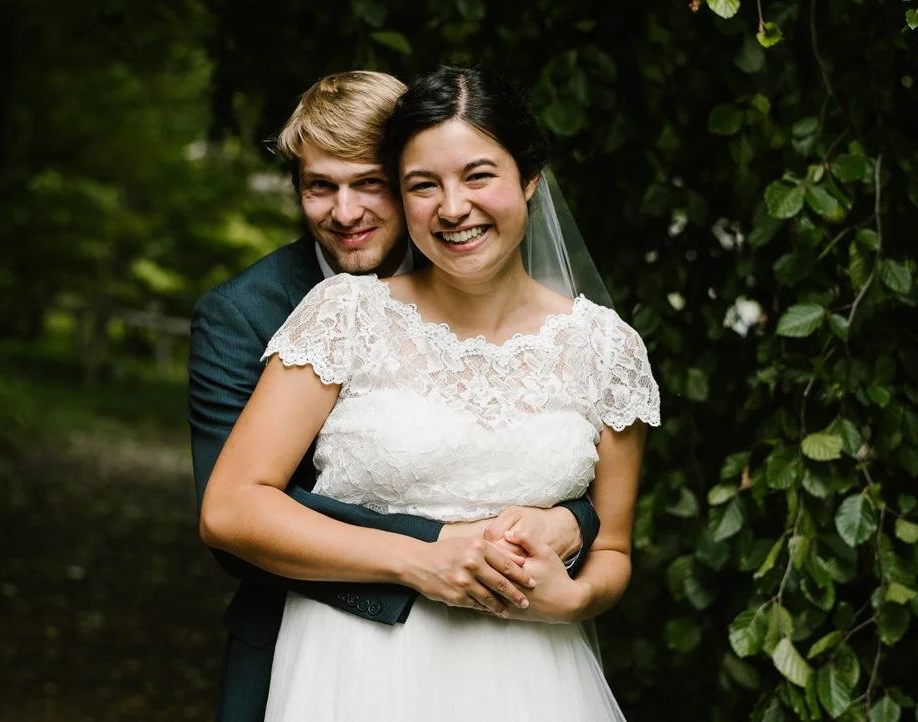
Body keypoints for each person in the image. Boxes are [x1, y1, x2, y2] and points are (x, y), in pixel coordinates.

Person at [199, 66, 660, 721]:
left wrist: (576, 596)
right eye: (423, 185)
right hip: (356, 668)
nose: (452, 207)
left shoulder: (608, 348)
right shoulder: (341, 313)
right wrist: (424, 558)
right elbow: (231, 509)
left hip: (533, 675)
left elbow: (612, 546)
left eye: (478, 176)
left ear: (530, 177)